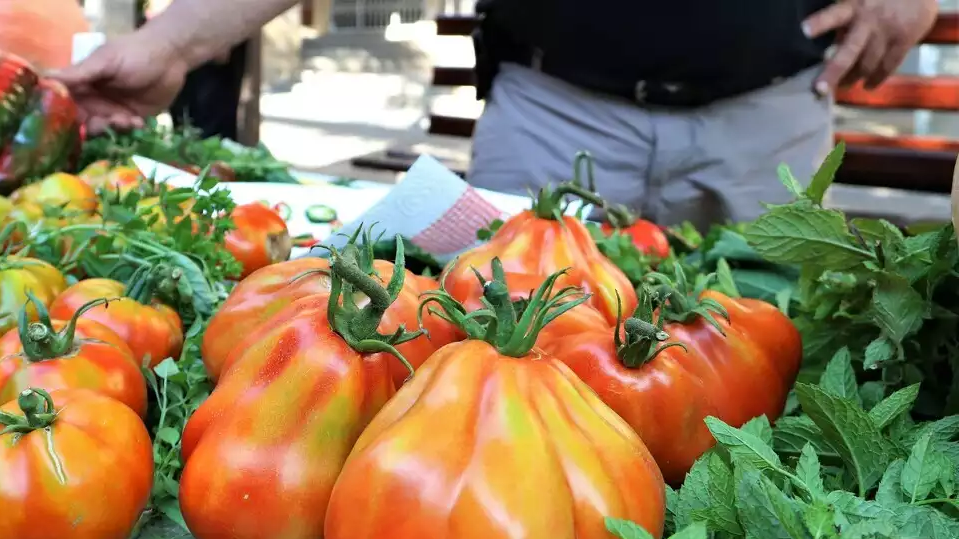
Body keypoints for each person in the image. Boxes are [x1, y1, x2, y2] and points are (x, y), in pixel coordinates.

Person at [52, 0, 939, 226]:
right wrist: (171, 43)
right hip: (555, 117)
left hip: (773, 118)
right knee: (505, 360)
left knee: (778, 379)